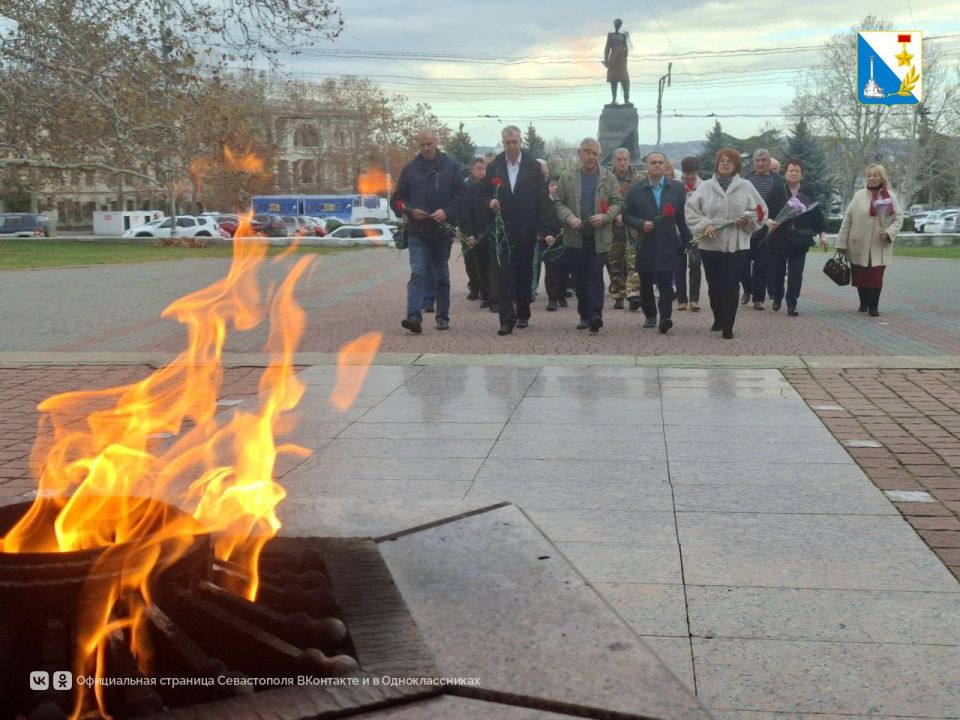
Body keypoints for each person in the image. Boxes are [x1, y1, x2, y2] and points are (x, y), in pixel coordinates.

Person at [390, 128, 466, 334]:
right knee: (418, 272)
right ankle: (414, 316)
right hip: (418, 232)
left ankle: (442, 316)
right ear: (418, 146)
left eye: (429, 144)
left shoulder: (450, 166)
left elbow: (461, 194)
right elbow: (395, 201)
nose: (426, 148)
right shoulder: (410, 169)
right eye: (422, 145)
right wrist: (408, 211)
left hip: (442, 232)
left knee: (441, 276)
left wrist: (446, 211)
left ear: (436, 143)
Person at [685, 148, 766, 339]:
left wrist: (747, 218)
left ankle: (728, 325)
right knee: (715, 285)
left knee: (731, 284)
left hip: (736, 244)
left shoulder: (746, 186)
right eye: (722, 160)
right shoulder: (705, 187)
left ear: (736, 165)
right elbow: (691, 211)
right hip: (710, 245)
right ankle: (718, 317)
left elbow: (760, 210)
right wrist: (705, 224)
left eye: (729, 160)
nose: (725, 163)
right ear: (717, 164)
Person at [548, 138, 622, 333]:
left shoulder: (608, 177)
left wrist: (606, 216)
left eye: (595, 153)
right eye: (587, 152)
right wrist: (570, 218)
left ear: (599, 155)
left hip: (599, 236)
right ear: (579, 153)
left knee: (595, 275)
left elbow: (617, 202)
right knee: (580, 278)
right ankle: (584, 315)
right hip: (576, 235)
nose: (591, 156)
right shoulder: (567, 176)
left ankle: (596, 315)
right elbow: (557, 202)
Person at [484, 125, 548, 335]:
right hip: (503, 229)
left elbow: (541, 199)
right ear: (503, 143)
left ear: (521, 142)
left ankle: (523, 311)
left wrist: (540, 228)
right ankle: (506, 319)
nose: (511, 146)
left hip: (526, 229)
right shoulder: (494, 166)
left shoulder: (533, 166)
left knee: (523, 272)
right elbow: (484, 194)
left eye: (515, 142)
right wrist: (490, 201)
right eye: (507, 142)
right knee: (504, 274)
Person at [624, 151, 691, 334]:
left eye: (660, 162)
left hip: (669, 241)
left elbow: (682, 217)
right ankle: (650, 314)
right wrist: (640, 224)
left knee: (665, 282)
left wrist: (687, 239)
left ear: (665, 165)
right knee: (645, 281)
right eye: (653, 162)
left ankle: (666, 316)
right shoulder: (636, 189)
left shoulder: (676, 188)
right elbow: (626, 215)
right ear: (647, 166)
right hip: (645, 241)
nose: (657, 165)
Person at [835, 163, 904, 317]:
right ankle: (863, 302)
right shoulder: (859, 195)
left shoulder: (890, 196)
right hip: (858, 243)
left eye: (875, 175)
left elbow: (899, 218)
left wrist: (889, 232)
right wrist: (841, 243)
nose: (872, 178)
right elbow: (847, 220)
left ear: (882, 177)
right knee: (861, 276)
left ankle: (874, 306)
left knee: (876, 276)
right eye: (869, 175)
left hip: (879, 244)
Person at [765, 158, 828, 316]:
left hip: (800, 239)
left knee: (796, 273)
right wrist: (768, 221)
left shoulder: (807, 193)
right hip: (779, 238)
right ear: (785, 173)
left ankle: (792, 302)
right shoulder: (777, 190)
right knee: (777, 272)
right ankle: (777, 297)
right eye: (791, 170)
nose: (794, 173)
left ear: (801, 174)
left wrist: (822, 235)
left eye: (797, 171)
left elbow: (816, 216)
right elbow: (765, 210)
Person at [742, 149, 787, 310]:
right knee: (742, 265)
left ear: (769, 162)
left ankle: (758, 298)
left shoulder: (778, 181)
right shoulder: (744, 180)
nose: (760, 163)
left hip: (767, 231)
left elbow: (782, 205)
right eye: (757, 160)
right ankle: (747, 289)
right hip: (747, 230)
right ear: (753, 162)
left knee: (762, 266)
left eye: (763, 160)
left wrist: (775, 222)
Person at [607, 148, 641, 310]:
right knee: (615, 260)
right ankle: (618, 294)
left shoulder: (638, 179)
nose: (622, 162)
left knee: (633, 260)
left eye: (625, 159)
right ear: (613, 160)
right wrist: (614, 215)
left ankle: (633, 293)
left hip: (633, 226)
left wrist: (626, 216)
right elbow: (602, 200)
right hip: (613, 226)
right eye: (619, 159)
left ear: (629, 160)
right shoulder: (606, 179)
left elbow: (640, 202)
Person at [460, 157, 493, 307]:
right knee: (475, 263)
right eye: (479, 169)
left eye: (484, 168)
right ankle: (480, 290)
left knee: (491, 264)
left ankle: (492, 294)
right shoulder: (468, 187)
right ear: (472, 171)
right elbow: (465, 211)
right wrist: (469, 234)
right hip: (475, 231)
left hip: (491, 231)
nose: (482, 171)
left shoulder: (492, 185)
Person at [677, 156, 704, 312]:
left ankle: (694, 299)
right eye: (687, 173)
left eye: (692, 173)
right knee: (678, 265)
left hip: (695, 232)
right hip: (678, 231)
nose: (689, 177)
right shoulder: (675, 185)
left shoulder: (704, 186)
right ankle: (681, 299)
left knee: (695, 263)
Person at [530, 158, 551, 301]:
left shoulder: (551, 186)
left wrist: (542, 231)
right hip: (531, 230)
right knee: (533, 263)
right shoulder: (529, 185)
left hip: (547, 230)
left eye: (544, 169)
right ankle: (531, 289)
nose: (542, 171)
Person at [603, 19, 631, 106]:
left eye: (619, 24)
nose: (617, 25)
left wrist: (624, 55)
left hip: (621, 61)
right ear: (614, 25)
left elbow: (626, 47)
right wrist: (606, 60)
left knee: (625, 80)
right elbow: (607, 48)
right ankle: (614, 99)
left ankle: (626, 99)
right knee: (613, 80)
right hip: (613, 60)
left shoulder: (624, 35)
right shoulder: (610, 35)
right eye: (616, 24)